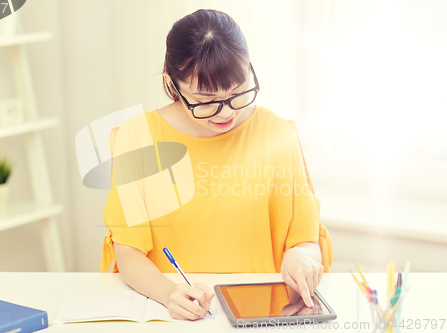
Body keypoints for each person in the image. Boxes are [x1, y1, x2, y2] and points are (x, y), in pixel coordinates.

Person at [101, 9, 332, 321]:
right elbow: (128, 253)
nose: (226, 112)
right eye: (206, 100)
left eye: (238, 92)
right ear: (173, 84)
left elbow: (304, 239)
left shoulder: (277, 134)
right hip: (170, 314)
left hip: (258, 314)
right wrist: (168, 292)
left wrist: (300, 257)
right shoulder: (137, 138)